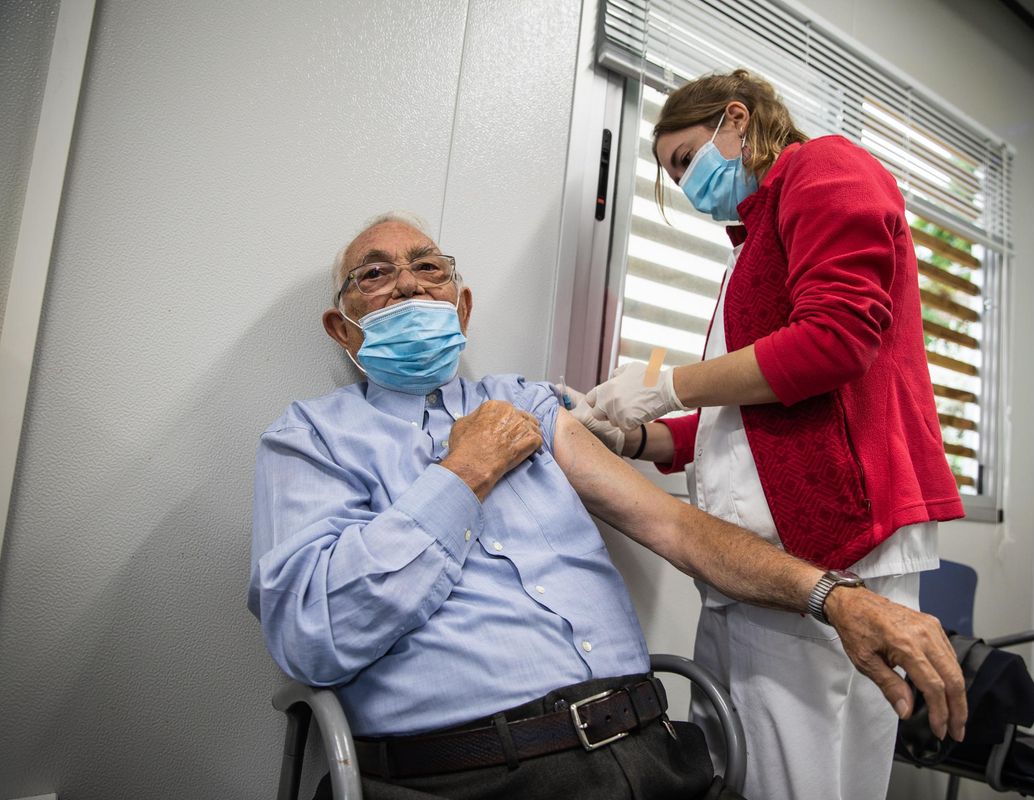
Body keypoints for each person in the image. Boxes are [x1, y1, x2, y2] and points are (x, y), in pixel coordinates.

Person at [248, 212, 966, 800]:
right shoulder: (310, 438)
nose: (406, 283)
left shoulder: (524, 402)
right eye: (375, 274)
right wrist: (465, 473)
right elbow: (313, 632)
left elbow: (676, 527)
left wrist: (836, 598)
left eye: (429, 268)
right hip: (476, 776)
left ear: (460, 307)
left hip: (654, 755)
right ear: (342, 328)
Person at [575, 69, 966, 800]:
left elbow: (836, 340)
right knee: (738, 771)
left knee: (800, 782)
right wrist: (628, 435)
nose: (687, 183)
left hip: (830, 545)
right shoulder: (749, 243)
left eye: (687, 159)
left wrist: (666, 386)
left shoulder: (825, 169)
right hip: (751, 563)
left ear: (736, 120)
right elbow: (741, 422)